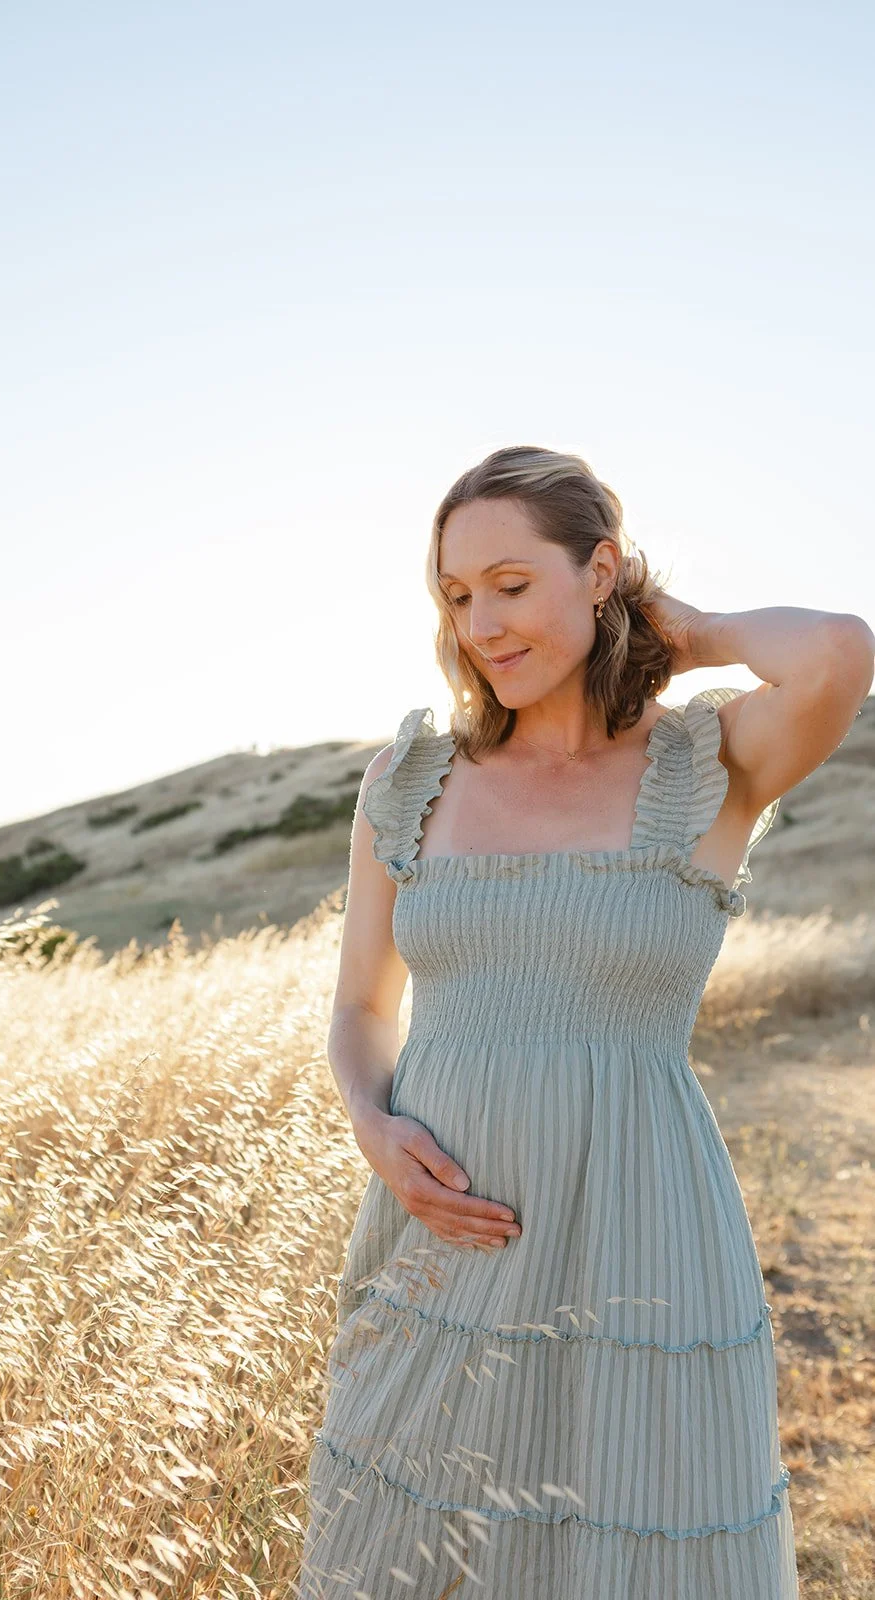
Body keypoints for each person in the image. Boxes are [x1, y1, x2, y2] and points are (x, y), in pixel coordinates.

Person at [297, 445, 875, 1599]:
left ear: (599, 570)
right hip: (446, 1231)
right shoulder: (407, 776)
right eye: (457, 596)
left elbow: (836, 652)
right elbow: (363, 1005)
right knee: (404, 1560)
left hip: (641, 1240)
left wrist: (678, 626)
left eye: (512, 583)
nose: (481, 624)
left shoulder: (706, 763)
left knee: (637, 1548)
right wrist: (367, 1117)